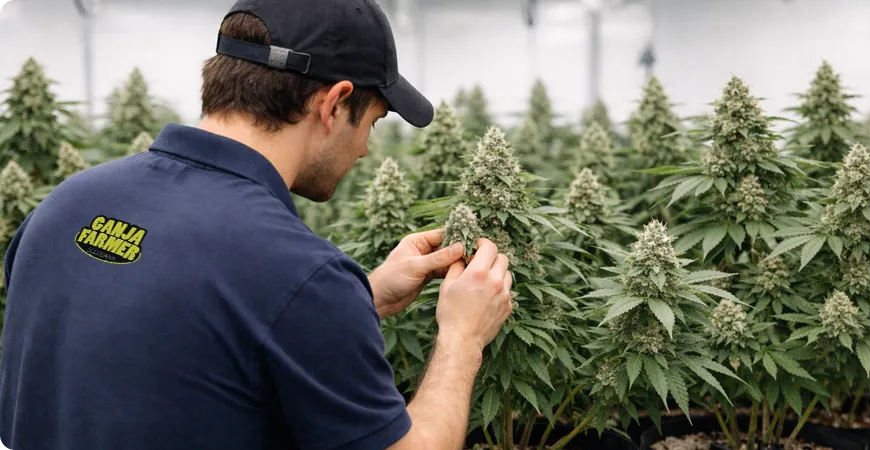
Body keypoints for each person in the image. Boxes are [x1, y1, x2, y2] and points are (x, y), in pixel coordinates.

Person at [0, 0, 513, 449]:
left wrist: (364, 298)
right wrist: (461, 338)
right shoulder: (300, 275)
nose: (366, 148)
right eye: (374, 121)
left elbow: (169, 336)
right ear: (333, 104)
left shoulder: (61, 209)